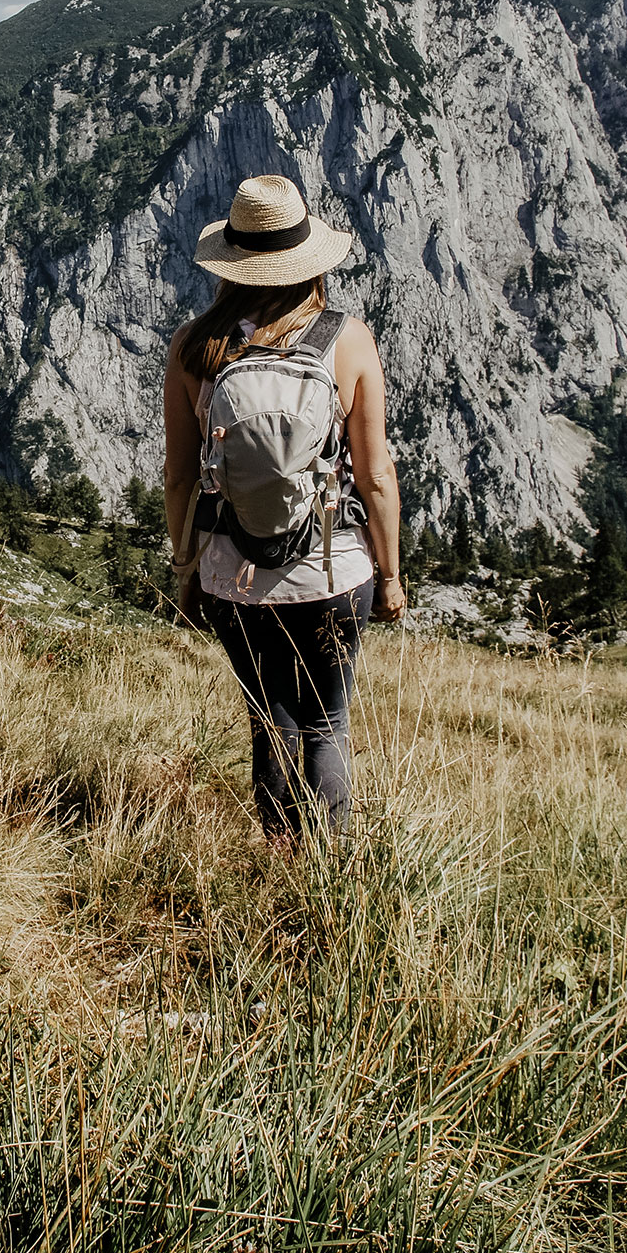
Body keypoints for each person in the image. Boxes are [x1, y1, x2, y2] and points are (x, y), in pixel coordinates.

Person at [164, 173, 405, 843]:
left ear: (231, 262)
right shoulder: (346, 339)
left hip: (230, 577)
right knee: (327, 722)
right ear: (308, 260)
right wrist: (388, 575)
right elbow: (376, 475)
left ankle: (277, 867)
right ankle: (330, 882)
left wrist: (188, 568)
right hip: (332, 571)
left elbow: (180, 479)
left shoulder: (194, 347)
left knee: (271, 724)